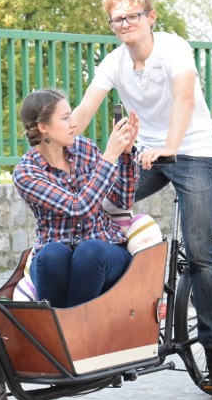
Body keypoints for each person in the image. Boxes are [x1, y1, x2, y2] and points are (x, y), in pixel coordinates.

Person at [71, 0, 212, 387]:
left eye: (132, 16)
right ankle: (123, 303)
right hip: (145, 154)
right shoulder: (114, 62)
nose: (125, 23)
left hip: (191, 150)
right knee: (99, 204)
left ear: (150, 18)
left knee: (199, 249)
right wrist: (52, 145)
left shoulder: (173, 48)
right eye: (117, 19)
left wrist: (169, 146)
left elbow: (183, 99)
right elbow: (84, 111)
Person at [13, 88, 139, 308]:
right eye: (65, 118)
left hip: (104, 248)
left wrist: (126, 155)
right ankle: (61, 330)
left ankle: (70, 327)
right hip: (55, 253)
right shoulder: (27, 173)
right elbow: (78, 207)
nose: (74, 123)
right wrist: (109, 157)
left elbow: (122, 200)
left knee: (90, 251)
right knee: (50, 254)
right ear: (43, 127)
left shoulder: (85, 149)